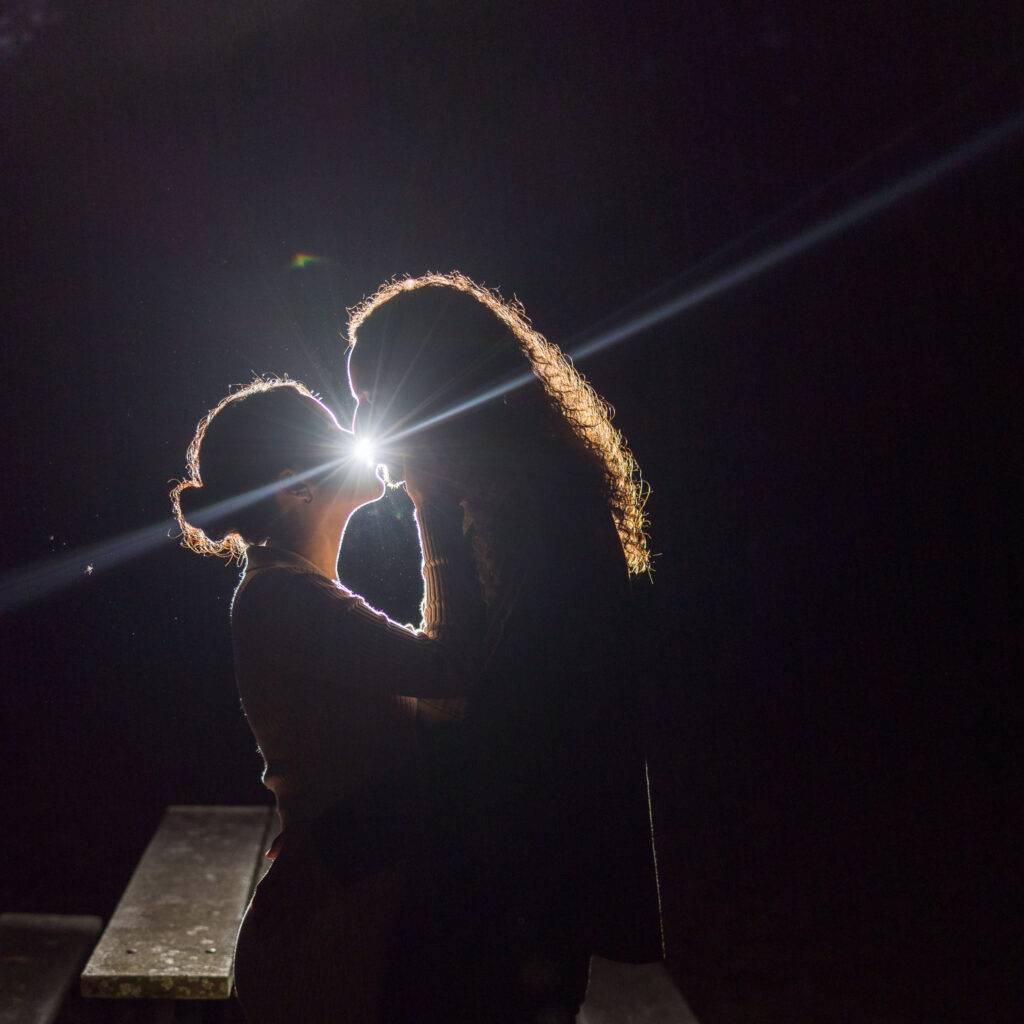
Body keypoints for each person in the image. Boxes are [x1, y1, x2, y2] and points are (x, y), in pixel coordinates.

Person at [346, 273, 664, 1024]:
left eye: (371, 396)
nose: (360, 420)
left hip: (530, 867)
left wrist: (346, 833)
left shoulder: (527, 508)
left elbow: (498, 711)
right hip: (526, 856)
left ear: (431, 387)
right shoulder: (501, 490)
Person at [170, 376, 483, 1023]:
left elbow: (435, 706)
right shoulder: (285, 597)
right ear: (297, 485)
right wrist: (431, 504)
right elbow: (449, 667)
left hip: (338, 912)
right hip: (320, 937)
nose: (356, 435)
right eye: (334, 432)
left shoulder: (298, 590)